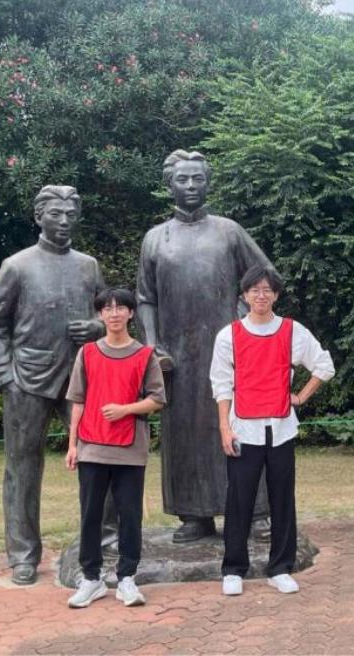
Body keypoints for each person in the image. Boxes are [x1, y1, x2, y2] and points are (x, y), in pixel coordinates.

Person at [136, 150, 272, 543]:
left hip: (231, 351)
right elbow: (145, 298)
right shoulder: (155, 239)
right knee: (185, 434)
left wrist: (243, 322)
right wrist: (152, 344)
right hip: (177, 356)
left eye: (198, 178)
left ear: (208, 182)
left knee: (240, 425)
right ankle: (194, 515)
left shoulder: (229, 231)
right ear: (170, 185)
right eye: (183, 179)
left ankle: (255, 511)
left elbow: (265, 277)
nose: (191, 186)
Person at [0, 185, 104, 585]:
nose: (63, 222)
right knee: (23, 468)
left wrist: (97, 327)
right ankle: (23, 554)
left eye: (70, 215)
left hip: (80, 378)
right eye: (55, 214)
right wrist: (5, 376)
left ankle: (105, 539)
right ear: (39, 217)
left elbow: (110, 313)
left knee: (99, 458)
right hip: (27, 381)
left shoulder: (88, 266)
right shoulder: (17, 266)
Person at [211, 264, 334, 596]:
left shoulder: (293, 331)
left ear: (276, 295)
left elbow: (324, 365)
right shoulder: (228, 335)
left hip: (281, 429)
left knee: (282, 500)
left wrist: (301, 396)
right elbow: (221, 384)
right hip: (243, 429)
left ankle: (280, 567)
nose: (261, 295)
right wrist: (224, 427)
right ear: (245, 295)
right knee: (239, 501)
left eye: (267, 290)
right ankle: (233, 569)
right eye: (255, 290)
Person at [64, 287, 166, 608]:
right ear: (100, 314)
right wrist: (72, 445)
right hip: (91, 447)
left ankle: (127, 578)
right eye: (107, 308)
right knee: (90, 515)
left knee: (130, 516)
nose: (114, 313)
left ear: (131, 313)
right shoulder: (87, 353)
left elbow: (158, 399)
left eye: (120, 307)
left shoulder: (145, 355)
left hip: (130, 450)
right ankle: (91, 578)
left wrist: (126, 410)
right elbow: (78, 401)